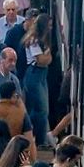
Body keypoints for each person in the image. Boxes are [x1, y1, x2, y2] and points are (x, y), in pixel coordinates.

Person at [20, 15, 54, 148]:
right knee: (41, 108)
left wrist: (47, 57)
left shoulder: (42, 41)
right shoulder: (34, 40)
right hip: (34, 74)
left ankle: (39, 138)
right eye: (49, 25)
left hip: (40, 74)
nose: (50, 28)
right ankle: (40, 141)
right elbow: (41, 61)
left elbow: (46, 59)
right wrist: (47, 56)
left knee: (41, 108)